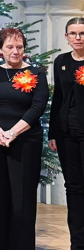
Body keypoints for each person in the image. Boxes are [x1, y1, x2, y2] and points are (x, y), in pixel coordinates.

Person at [0, 28, 49, 250]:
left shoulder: (37, 73)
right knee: (0, 199)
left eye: (19, 47)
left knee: (22, 201)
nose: (15, 51)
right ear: (0, 49)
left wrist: (12, 133)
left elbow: (38, 106)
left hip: (25, 142)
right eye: (9, 46)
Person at [49, 17, 84, 250]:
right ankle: (77, 244)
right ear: (66, 37)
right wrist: (52, 132)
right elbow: (58, 98)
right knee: (73, 187)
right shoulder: (61, 61)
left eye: (82, 33)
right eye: (73, 33)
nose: (78, 38)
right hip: (65, 134)